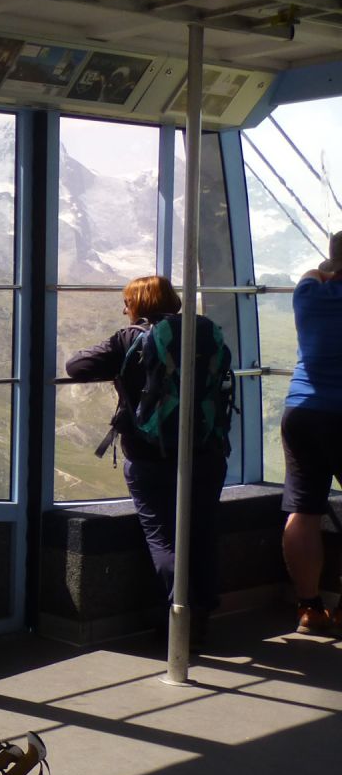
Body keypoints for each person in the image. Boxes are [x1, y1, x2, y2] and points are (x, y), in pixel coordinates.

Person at [65, 275, 228, 647]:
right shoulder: (203, 332)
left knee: (163, 539)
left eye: (127, 302)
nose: (124, 308)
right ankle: (202, 613)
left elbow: (76, 366)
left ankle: (181, 620)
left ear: (138, 305)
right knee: (202, 534)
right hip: (207, 450)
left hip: (150, 456)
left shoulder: (130, 337)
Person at [280, 231, 342, 634]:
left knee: (304, 509)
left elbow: (312, 272)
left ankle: (309, 607)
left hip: (302, 411)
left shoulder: (308, 294)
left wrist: (329, 268)